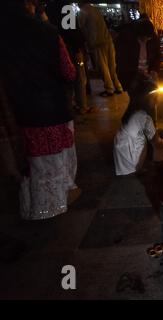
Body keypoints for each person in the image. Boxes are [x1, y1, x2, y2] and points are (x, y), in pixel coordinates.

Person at [1, 0, 80, 220]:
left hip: (19, 111)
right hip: (51, 107)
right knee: (55, 161)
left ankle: (35, 207)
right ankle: (54, 205)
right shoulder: (47, 33)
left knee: (34, 163)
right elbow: (69, 72)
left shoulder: (5, 34)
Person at [113, 76, 163, 176]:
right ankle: (140, 168)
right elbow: (157, 143)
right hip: (132, 166)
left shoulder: (132, 111)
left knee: (152, 134)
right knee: (162, 147)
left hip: (121, 161)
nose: (157, 102)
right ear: (146, 99)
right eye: (155, 99)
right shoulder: (144, 117)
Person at [46, 0, 91, 114]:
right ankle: (82, 106)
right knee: (79, 77)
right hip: (71, 47)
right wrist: (79, 48)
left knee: (65, 78)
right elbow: (73, 30)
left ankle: (69, 104)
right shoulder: (66, 7)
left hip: (56, 48)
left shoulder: (48, 7)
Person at [78, 1, 123, 97]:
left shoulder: (82, 12)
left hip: (97, 43)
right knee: (112, 66)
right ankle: (118, 87)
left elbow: (80, 27)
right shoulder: (96, 9)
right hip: (107, 39)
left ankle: (109, 89)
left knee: (103, 68)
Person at [115, 18, 161, 91]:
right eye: (144, 38)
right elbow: (122, 62)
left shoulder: (153, 39)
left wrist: (154, 70)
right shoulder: (126, 40)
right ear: (138, 35)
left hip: (148, 75)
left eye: (148, 38)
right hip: (131, 76)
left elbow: (157, 56)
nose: (146, 40)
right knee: (137, 97)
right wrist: (136, 72)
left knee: (151, 96)